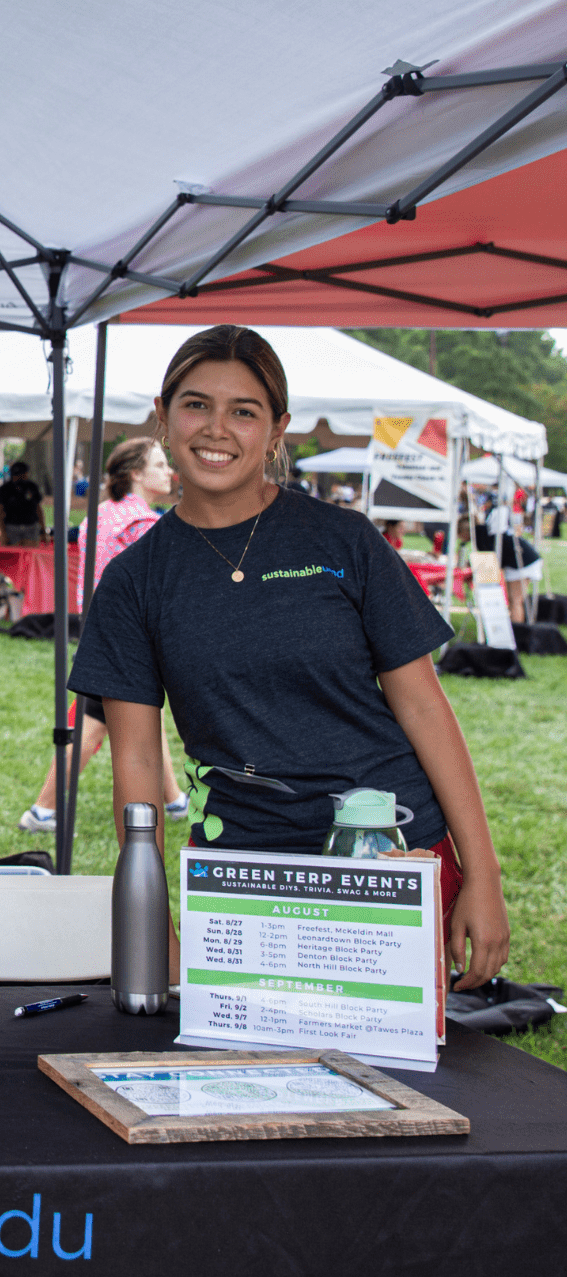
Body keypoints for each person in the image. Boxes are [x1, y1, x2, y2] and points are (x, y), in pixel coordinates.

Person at [70, 324, 510, 989]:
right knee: (248, 1077)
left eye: (244, 412)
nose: (216, 429)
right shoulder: (134, 580)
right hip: (244, 870)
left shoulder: (345, 540)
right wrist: (155, 932)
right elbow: (133, 760)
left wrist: (484, 876)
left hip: (386, 856)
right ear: (163, 419)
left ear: (277, 429)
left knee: (394, 1078)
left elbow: (423, 706)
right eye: (196, 405)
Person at [18, 438, 186, 832]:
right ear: (136, 475)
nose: (169, 472)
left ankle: (175, 800)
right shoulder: (143, 524)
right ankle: (43, 810)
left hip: (97, 627)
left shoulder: (103, 513)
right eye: (160, 465)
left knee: (143, 714)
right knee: (93, 724)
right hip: (126, 638)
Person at [0, 459, 45, 545]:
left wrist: (42, 530)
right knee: (12, 555)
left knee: (30, 555)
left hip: (31, 526)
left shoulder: (32, 487)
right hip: (11, 527)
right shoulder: (4, 489)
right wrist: (3, 533)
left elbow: (38, 509)